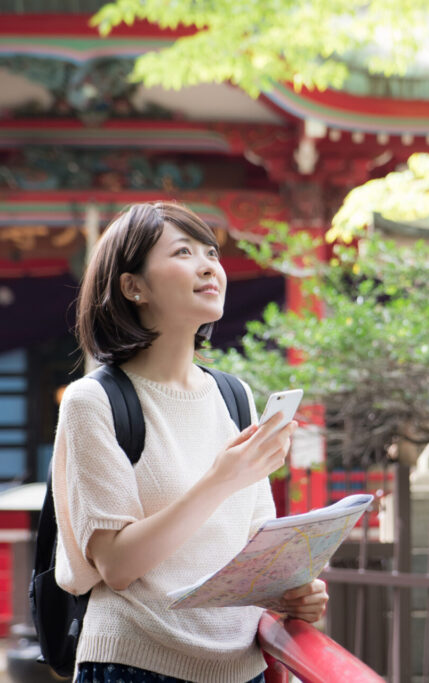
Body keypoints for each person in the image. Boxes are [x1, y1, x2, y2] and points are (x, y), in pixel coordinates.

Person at [51, 201, 328, 683]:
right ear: (133, 286)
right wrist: (221, 480)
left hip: (240, 665)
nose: (208, 266)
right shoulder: (92, 401)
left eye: (212, 253)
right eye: (183, 252)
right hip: (136, 660)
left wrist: (287, 591)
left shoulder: (233, 395)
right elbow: (116, 564)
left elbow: (250, 545)